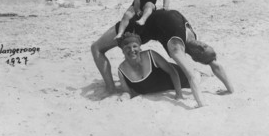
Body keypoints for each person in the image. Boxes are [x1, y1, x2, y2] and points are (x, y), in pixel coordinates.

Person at [91, 9, 234, 108]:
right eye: (206, 45)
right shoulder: (192, 35)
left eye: (201, 51)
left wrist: (201, 103)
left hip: (135, 28)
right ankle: (111, 87)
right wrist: (230, 89)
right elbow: (213, 62)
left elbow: (191, 77)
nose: (203, 46)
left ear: (194, 57)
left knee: (96, 48)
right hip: (143, 18)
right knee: (97, 48)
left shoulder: (176, 47)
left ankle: (110, 89)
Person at [117, 32, 189, 99]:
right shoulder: (122, 70)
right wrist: (124, 97)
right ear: (122, 50)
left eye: (135, 46)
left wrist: (179, 95)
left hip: (182, 77)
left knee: (197, 77)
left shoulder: (150, 55)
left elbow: (172, 71)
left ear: (139, 48)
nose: (132, 50)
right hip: (166, 87)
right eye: (127, 48)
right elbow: (126, 91)